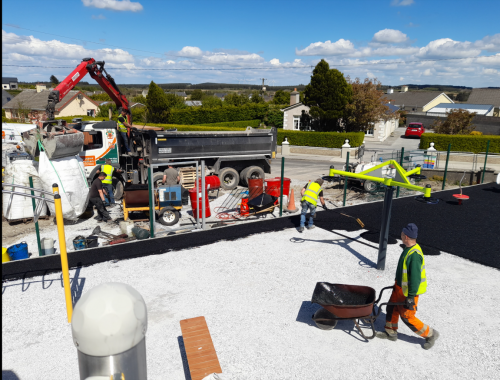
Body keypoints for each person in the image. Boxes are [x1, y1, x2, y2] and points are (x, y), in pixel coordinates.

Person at [376, 223, 439, 350]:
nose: (400, 235)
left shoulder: (414, 256)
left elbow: (415, 279)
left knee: (407, 317)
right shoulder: (408, 249)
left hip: (409, 292)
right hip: (399, 288)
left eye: (402, 233)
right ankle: (391, 332)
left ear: (406, 236)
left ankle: (431, 334)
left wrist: (410, 297)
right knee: (391, 309)